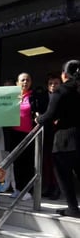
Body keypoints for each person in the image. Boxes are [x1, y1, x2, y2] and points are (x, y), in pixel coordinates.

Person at [36, 60, 80, 218]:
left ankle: (73, 209)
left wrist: (38, 119)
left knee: (64, 177)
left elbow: (49, 116)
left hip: (65, 141)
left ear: (64, 74)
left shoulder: (61, 91)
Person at [6, 72, 47, 201]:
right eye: (22, 80)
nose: (25, 82)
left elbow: (40, 111)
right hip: (14, 134)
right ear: (17, 83)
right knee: (17, 163)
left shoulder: (34, 97)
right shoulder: (11, 97)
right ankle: (18, 189)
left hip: (29, 135)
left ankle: (27, 190)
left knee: (28, 163)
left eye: (27, 80)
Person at [39, 73, 62, 199]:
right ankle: (50, 186)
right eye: (50, 83)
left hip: (60, 134)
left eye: (56, 83)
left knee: (57, 163)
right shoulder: (43, 97)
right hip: (46, 134)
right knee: (47, 162)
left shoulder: (64, 97)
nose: (53, 86)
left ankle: (58, 188)